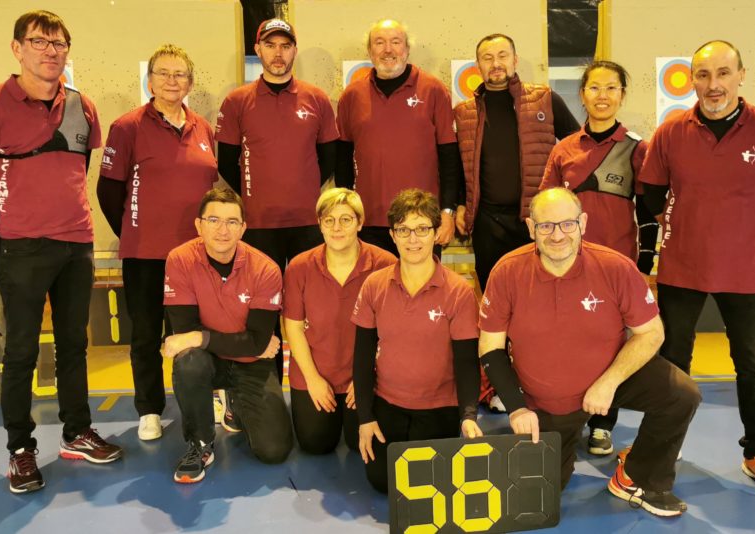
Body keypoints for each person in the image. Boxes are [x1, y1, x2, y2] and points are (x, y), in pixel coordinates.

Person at [0, 9, 122, 494]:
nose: (51, 51)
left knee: (73, 345)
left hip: (77, 244)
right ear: (17, 48)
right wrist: (8, 220)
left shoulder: (84, 107)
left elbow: (76, 170)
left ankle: (76, 432)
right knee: (22, 351)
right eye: (39, 42)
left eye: (59, 43)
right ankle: (20, 450)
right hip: (21, 249)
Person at [638, 40, 755, 498]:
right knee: (672, 361)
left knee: (750, 365)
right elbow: (650, 194)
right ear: (692, 79)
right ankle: (661, 448)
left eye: (723, 73)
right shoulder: (671, 132)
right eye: (703, 75)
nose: (713, 85)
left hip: (744, 272)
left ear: (741, 75)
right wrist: (681, 227)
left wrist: (749, 235)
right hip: (681, 267)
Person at [478, 188, 700, 517]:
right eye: (546, 226)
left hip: (607, 377)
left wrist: (609, 382)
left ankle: (638, 477)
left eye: (567, 224)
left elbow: (652, 332)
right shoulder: (507, 271)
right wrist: (517, 408)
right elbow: (490, 347)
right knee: (537, 501)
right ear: (531, 228)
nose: (557, 235)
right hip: (549, 402)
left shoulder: (615, 267)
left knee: (681, 395)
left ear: (582, 223)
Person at [538, 60, 660, 456]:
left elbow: (649, 214)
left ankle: (603, 424)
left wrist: (643, 265)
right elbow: (543, 208)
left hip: (615, 267)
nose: (602, 96)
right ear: (582, 95)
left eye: (611, 88)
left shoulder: (637, 149)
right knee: (567, 342)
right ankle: (568, 417)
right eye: (594, 88)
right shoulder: (563, 149)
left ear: (622, 95)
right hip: (565, 267)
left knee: (611, 346)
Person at [97, 44, 218, 441]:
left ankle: (204, 400)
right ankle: (149, 409)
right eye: (163, 73)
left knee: (195, 333)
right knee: (147, 335)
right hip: (145, 255)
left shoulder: (204, 129)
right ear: (149, 81)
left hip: (196, 256)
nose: (171, 80)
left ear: (190, 83)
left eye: (179, 74)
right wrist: (135, 231)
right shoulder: (127, 127)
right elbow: (108, 192)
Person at [216, 18, 339, 389]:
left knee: (311, 311)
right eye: (270, 45)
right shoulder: (237, 101)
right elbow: (227, 163)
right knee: (261, 314)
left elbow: (329, 159)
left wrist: (303, 192)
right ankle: (265, 393)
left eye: (285, 46)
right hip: (259, 227)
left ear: (294, 50)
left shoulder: (316, 99)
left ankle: (312, 386)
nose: (278, 53)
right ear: (258, 50)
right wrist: (256, 196)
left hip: (307, 226)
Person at [159, 188, 293, 483]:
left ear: (243, 228)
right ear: (199, 225)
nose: (223, 230)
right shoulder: (180, 260)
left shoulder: (266, 269)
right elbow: (186, 332)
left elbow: (256, 342)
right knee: (188, 361)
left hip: (251, 364)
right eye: (214, 220)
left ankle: (235, 404)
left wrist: (199, 338)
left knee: (274, 451)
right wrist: (244, 344)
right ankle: (200, 444)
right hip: (208, 361)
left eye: (232, 222)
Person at [352, 189, 481, 493]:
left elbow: (466, 362)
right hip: (388, 402)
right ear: (392, 235)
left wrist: (468, 416)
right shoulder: (374, 285)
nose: (413, 239)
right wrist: (365, 418)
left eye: (422, 229)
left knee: (428, 485)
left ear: (436, 233)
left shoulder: (458, 292)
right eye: (404, 230)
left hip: (439, 407)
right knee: (383, 482)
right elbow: (362, 356)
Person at [453, 33, 581, 291]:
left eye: (502, 56)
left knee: (539, 291)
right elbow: (458, 164)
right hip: (487, 223)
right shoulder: (464, 112)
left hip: (536, 219)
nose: (495, 63)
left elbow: (577, 147)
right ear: (478, 65)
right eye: (487, 58)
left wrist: (564, 197)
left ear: (515, 60)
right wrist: (459, 206)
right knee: (493, 291)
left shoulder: (544, 99)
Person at [283, 188, 397, 455]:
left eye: (346, 219)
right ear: (320, 224)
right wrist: (312, 379)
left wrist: (368, 376)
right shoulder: (299, 267)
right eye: (329, 220)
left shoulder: (385, 264)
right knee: (316, 444)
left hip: (365, 374)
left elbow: (391, 331)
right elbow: (294, 328)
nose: (337, 227)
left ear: (360, 223)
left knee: (362, 446)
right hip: (316, 373)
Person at [335, 19, 461, 257]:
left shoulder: (434, 90)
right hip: (368, 221)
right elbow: (342, 160)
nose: (388, 50)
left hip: (422, 221)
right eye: (379, 43)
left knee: (424, 281)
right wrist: (345, 212)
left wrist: (447, 212)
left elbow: (449, 157)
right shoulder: (351, 96)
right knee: (373, 282)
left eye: (395, 42)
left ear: (407, 49)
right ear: (370, 51)